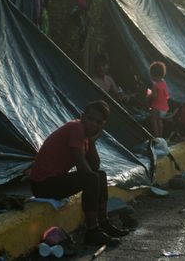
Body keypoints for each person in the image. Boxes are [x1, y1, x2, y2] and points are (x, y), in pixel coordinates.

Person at [30, 100, 128, 247]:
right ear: (82, 117)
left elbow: (95, 166)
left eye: (98, 122)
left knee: (100, 175)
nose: (93, 124)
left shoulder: (85, 137)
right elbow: (82, 165)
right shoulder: (76, 127)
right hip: (43, 184)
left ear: (102, 125)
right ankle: (93, 231)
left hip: (53, 182)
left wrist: (93, 141)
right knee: (93, 178)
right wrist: (93, 179)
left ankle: (103, 223)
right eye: (90, 119)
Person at [148, 61, 169, 138]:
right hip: (164, 107)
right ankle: (160, 135)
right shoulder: (164, 82)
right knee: (160, 121)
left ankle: (156, 136)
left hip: (156, 106)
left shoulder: (155, 85)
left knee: (154, 120)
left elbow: (154, 96)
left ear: (153, 75)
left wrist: (149, 96)